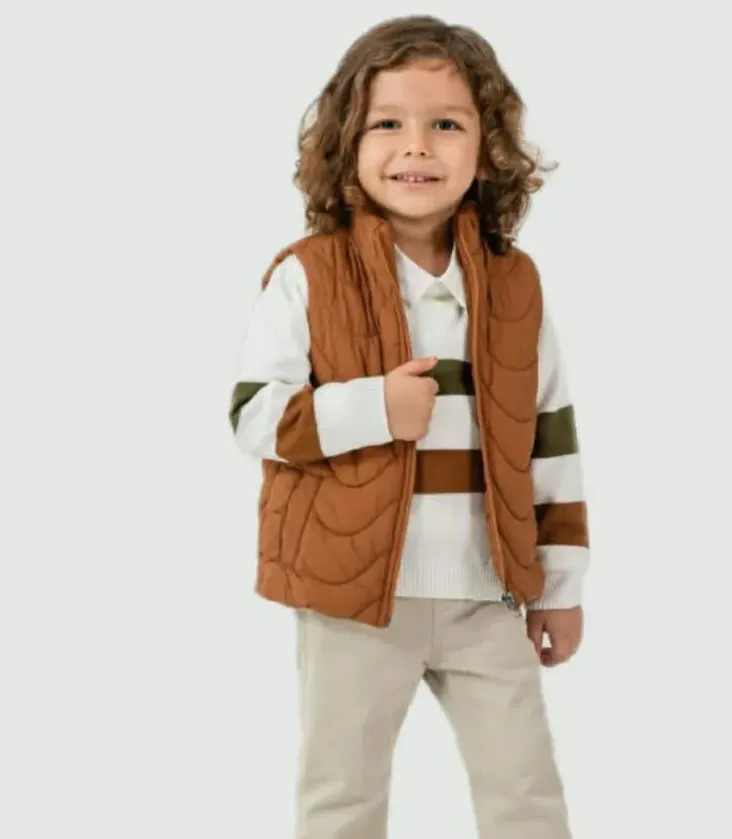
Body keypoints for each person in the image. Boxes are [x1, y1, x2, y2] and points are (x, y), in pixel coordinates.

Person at [229, 14, 591, 839]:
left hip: (487, 592)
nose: (416, 146)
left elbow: (550, 438)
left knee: (526, 794)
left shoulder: (515, 286)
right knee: (342, 796)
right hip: (353, 603)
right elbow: (253, 414)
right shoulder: (305, 275)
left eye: (446, 125)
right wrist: (370, 409)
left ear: (487, 149)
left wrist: (560, 586)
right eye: (387, 123)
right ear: (346, 144)